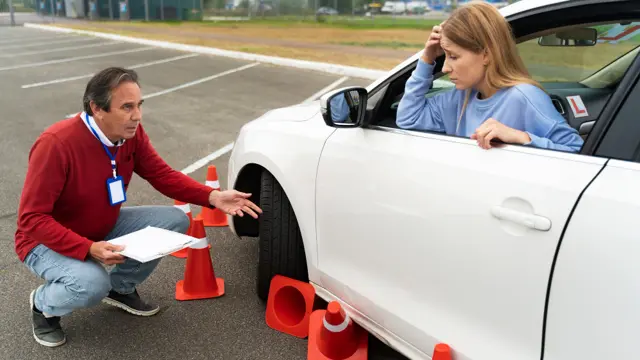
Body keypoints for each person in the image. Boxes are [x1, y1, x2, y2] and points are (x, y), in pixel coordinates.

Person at [15, 67, 262, 348]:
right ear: (97, 108)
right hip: (43, 242)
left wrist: (213, 196)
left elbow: (161, 175)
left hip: (100, 226)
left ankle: (120, 288)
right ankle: (43, 305)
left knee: (174, 219)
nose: (137, 116)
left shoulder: (131, 134)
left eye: (139, 105)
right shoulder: (56, 144)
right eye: (127, 107)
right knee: (91, 284)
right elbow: (31, 219)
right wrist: (87, 248)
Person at [396, 1, 584, 152]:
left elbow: (575, 148)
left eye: (453, 56)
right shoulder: (458, 98)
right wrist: (427, 58)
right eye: (445, 56)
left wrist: (521, 137)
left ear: (486, 54)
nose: (444, 68)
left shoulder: (524, 96)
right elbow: (408, 119)